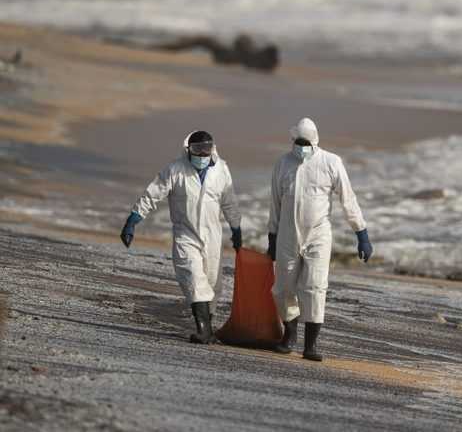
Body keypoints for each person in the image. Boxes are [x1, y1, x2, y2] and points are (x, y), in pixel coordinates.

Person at [119, 130, 242, 344]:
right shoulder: (175, 170)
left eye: (206, 149)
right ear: (188, 150)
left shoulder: (221, 169)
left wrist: (236, 228)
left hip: (213, 236)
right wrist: (132, 220)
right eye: (197, 150)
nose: (202, 154)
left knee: (213, 283)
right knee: (194, 277)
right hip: (186, 235)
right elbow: (153, 194)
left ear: (212, 148)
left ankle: (208, 327)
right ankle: (202, 329)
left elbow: (229, 201)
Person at [268, 117, 372, 361]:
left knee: (315, 287)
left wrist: (362, 233)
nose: (300, 146)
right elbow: (275, 203)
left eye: (305, 142)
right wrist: (272, 237)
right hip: (287, 234)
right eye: (297, 141)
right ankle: (289, 335)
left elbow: (348, 200)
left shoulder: (331, 162)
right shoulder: (283, 163)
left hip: (318, 235)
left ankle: (311, 345)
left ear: (315, 141)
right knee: (282, 288)